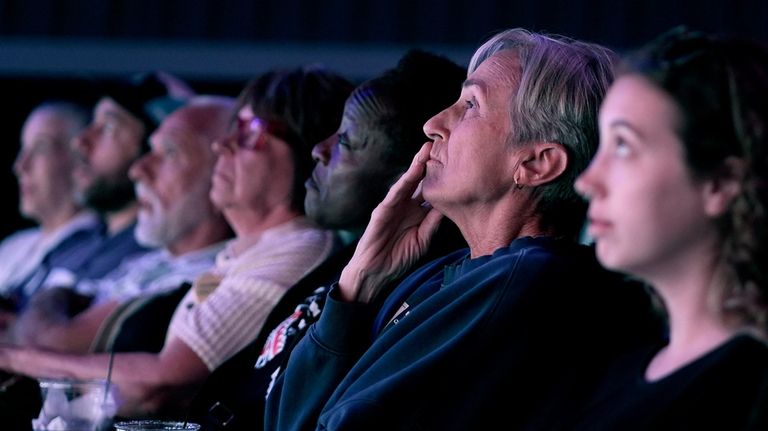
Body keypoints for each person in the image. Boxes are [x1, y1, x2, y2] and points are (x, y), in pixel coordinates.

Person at [265, 28, 663, 431]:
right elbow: (283, 417)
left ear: (537, 164)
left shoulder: (525, 283)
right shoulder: (443, 272)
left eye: (471, 104)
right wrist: (358, 281)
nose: (434, 124)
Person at [0, 66, 352, 419]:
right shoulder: (246, 253)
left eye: (251, 131)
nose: (222, 146)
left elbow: (160, 386)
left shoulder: (293, 250)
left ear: (311, 150)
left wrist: (12, 356)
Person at [189, 50, 468, 431]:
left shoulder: (416, 290)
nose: (319, 149)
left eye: (347, 142)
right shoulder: (343, 261)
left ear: (412, 176)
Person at [567, 29, 768, 430]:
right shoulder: (620, 366)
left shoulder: (750, 395)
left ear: (721, 183)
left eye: (623, 145)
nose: (586, 181)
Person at [12, 97, 236, 354]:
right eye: (151, 151)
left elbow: (50, 345)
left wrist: (50, 297)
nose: (139, 169)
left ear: (221, 177)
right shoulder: (152, 262)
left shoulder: (204, 281)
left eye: (169, 153)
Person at [0, 102, 102, 310]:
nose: (21, 166)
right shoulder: (12, 247)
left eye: (40, 148)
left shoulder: (96, 248)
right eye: (23, 148)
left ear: (81, 158)